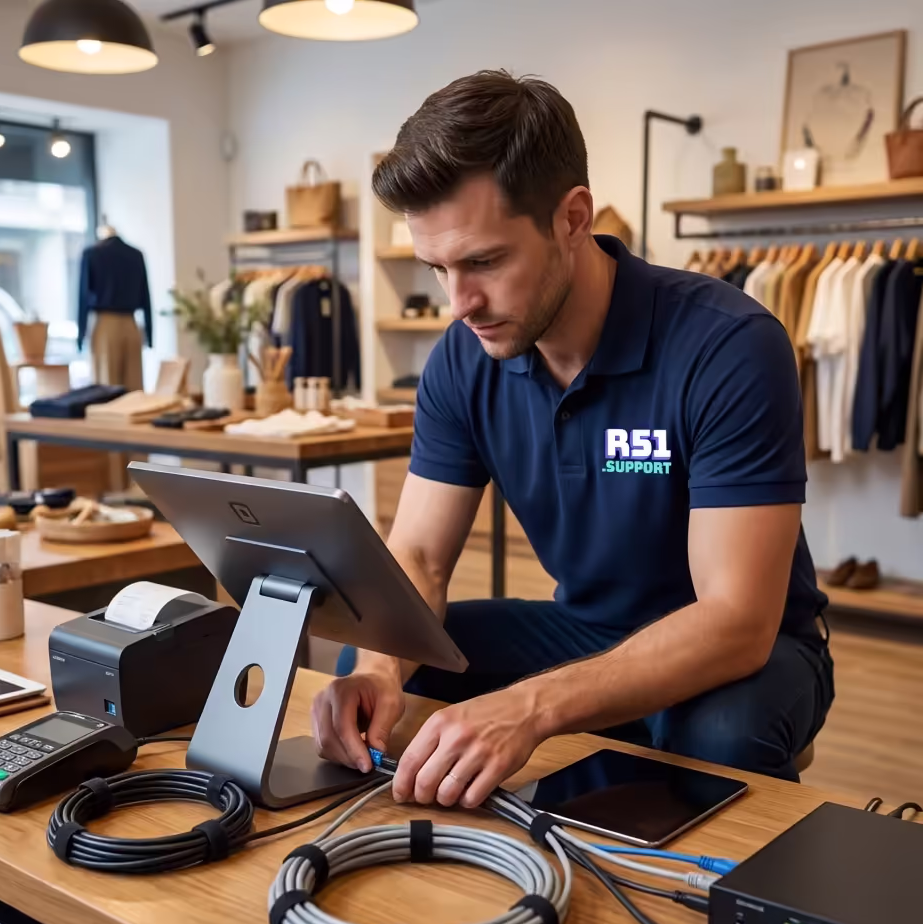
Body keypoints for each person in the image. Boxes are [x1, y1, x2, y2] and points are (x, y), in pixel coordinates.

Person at [312, 70, 832, 808]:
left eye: (484, 262)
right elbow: (421, 557)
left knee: (719, 734)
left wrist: (530, 709)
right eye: (439, 269)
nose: (459, 304)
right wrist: (374, 668)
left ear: (573, 217)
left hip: (756, 648)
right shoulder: (463, 358)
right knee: (396, 666)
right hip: (586, 627)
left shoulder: (729, 344)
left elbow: (736, 623)